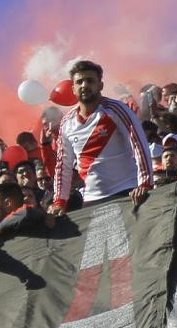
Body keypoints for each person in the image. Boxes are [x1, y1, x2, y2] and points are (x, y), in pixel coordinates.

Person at [51, 61, 153, 214]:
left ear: (100, 85)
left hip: (127, 191)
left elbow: (139, 145)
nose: (84, 85)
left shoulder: (116, 109)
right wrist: (59, 202)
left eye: (90, 80)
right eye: (79, 82)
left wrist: (145, 184)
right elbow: (63, 166)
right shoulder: (67, 123)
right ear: (73, 89)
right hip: (91, 200)